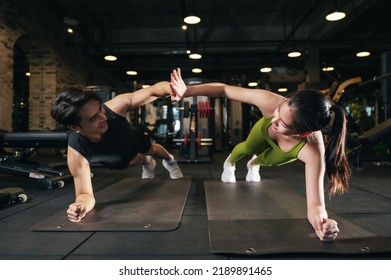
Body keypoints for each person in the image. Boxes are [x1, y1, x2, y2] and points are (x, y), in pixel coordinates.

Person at [170, 68, 351, 242]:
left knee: (267, 161)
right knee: (247, 148)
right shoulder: (270, 102)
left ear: (303, 133)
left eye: (283, 124)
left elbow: (315, 205)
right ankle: (230, 163)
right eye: (278, 112)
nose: (274, 121)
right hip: (263, 133)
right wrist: (188, 91)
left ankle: (254, 164)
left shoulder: (312, 151)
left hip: (287, 149)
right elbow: (224, 90)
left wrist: (322, 223)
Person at [50, 82, 183, 223]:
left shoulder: (115, 107)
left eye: (100, 109)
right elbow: (84, 193)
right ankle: (147, 162)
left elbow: (153, 91)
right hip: (118, 158)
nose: (103, 117)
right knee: (136, 160)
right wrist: (81, 205)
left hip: (132, 140)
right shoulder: (76, 151)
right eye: (94, 118)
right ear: (75, 127)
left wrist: (173, 88)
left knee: (152, 150)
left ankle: (170, 160)